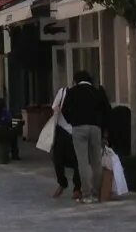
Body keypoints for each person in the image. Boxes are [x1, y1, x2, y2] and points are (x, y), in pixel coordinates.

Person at [64, 69, 111, 202]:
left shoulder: (72, 92)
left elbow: (64, 110)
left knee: (83, 162)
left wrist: (72, 121)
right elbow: (107, 111)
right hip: (95, 128)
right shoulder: (97, 93)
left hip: (79, 128)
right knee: (96, 161)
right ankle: (96, 192)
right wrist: (104, 129)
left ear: (76, 80)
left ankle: (87, 194)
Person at [47, 82, 79, 200]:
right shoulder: (63, 91)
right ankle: (62, 182)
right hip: (61, 129)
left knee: (77, 160)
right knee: (57, 158)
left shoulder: (83, 95)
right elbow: (54, 106)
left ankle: (77, 187)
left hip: (76, 130)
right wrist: (57, 109)